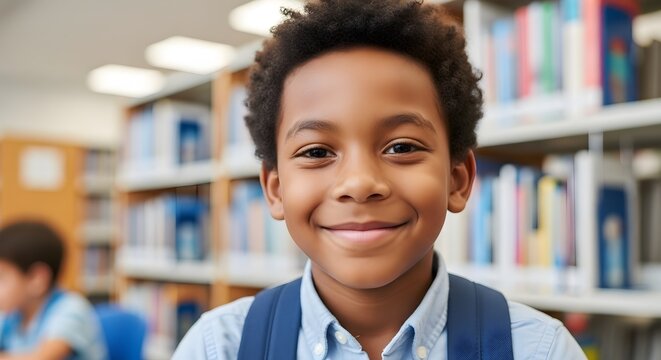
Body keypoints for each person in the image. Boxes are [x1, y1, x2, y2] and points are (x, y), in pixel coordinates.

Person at [174, 0, 586, 358]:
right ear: (275, 189)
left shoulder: (539, 350)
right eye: (317, 152)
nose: (359, 183)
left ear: (458, 180)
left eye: (402, 147)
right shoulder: (218, 347)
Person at [0, 221, 108, 360]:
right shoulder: (12, 314)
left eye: (1, 278)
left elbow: (42, 358)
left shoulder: (71, 309)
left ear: (36, 279)